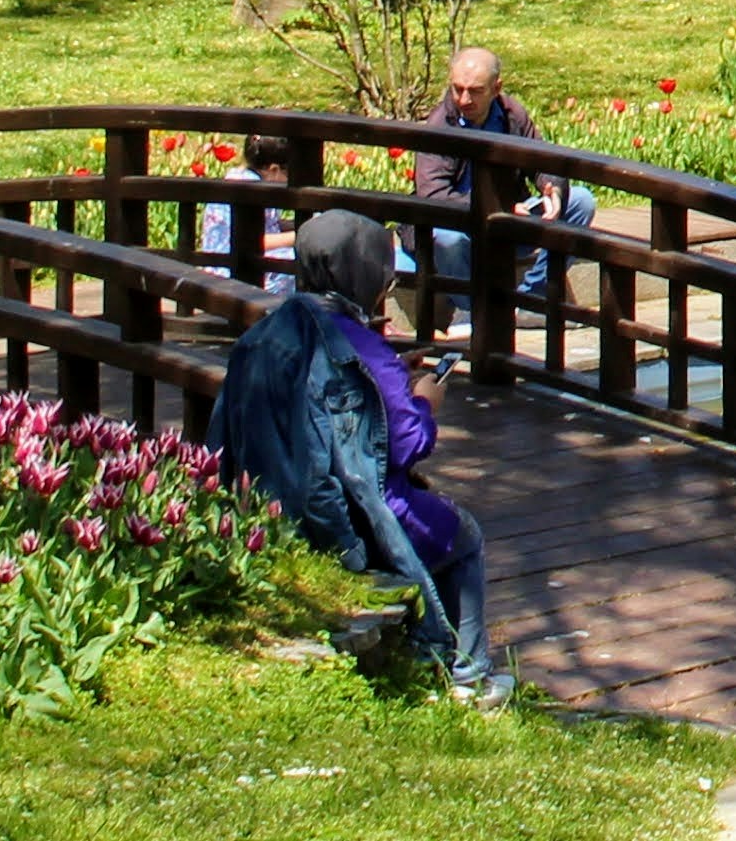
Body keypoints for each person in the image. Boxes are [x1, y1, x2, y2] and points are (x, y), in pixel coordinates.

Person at [218, 209, 506, 699]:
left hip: (271, 504)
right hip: (351, 515)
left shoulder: (267, 332)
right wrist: (424, 401)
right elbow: (409, 444)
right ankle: (465, 675)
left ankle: (434, 652)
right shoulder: (363, 349)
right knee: (462, 535)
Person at [411, 47, 589, 324]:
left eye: (475, 90)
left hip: (507, 223)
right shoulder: (440, 125)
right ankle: (474, 312)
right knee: (447, 239)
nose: (464, 99)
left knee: (580, 201)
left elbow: (542, 160)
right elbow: (433, 195)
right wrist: (493, 208)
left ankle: (532, 298)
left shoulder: (511, 114)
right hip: (462, 227)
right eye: (457, 89)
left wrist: (551, 187)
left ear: (497, 88)